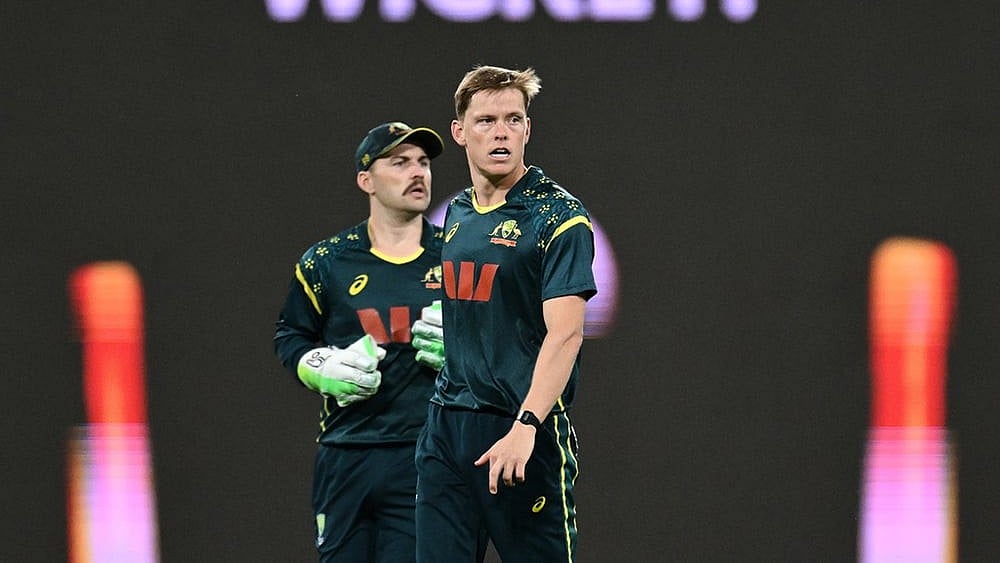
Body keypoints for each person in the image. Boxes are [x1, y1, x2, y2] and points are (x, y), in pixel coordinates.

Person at [414, 65, 597, 562]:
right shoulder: (457, 213)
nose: (501, 132)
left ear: (528, 130)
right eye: (487, 120)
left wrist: (526, 425)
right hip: (447, 429)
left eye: (514, 119)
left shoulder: (558, 218)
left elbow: (566, 335)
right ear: (459, 132)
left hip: (521, 431)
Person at [274, 121, 447, 562]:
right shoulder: (327, 262)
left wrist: (464, 349)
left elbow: (507, 339)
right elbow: (290, 335)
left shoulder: (456, 257)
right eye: (400, 162)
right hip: (344, 454)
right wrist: (319, 367)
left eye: (424, 163)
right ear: (366, 180)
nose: (418, 173)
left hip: (423, 454)